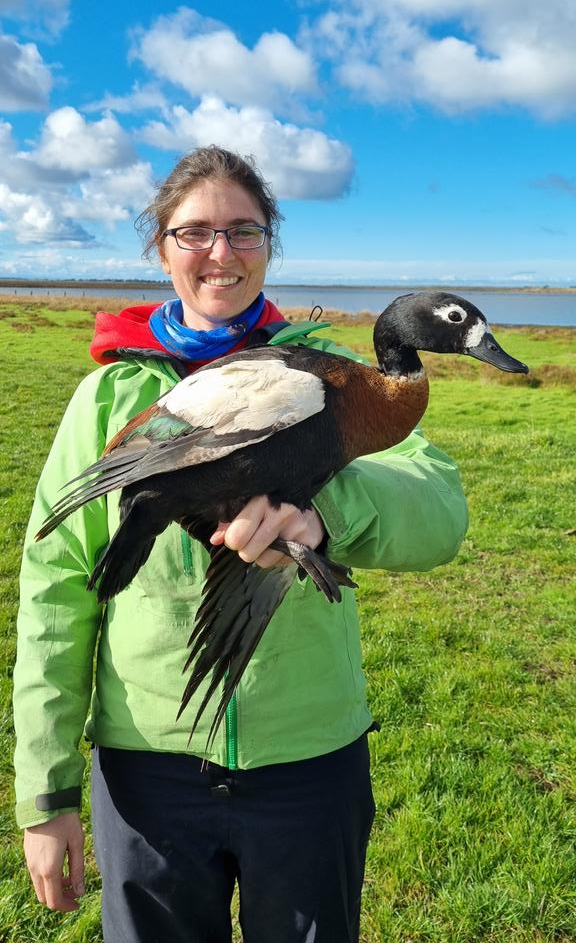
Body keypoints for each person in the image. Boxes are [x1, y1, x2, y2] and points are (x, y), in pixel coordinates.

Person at [13, 145, 469, 943]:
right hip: (147, 766)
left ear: (269, 244)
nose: (220, 253)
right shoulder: (107, 395)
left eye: (244, 231)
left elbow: (437, 509)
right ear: (162, 247)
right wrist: (46, 796)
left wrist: (326, 515)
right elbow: (55, 588)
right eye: (194, 233)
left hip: (307, 758)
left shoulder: (337, 376)